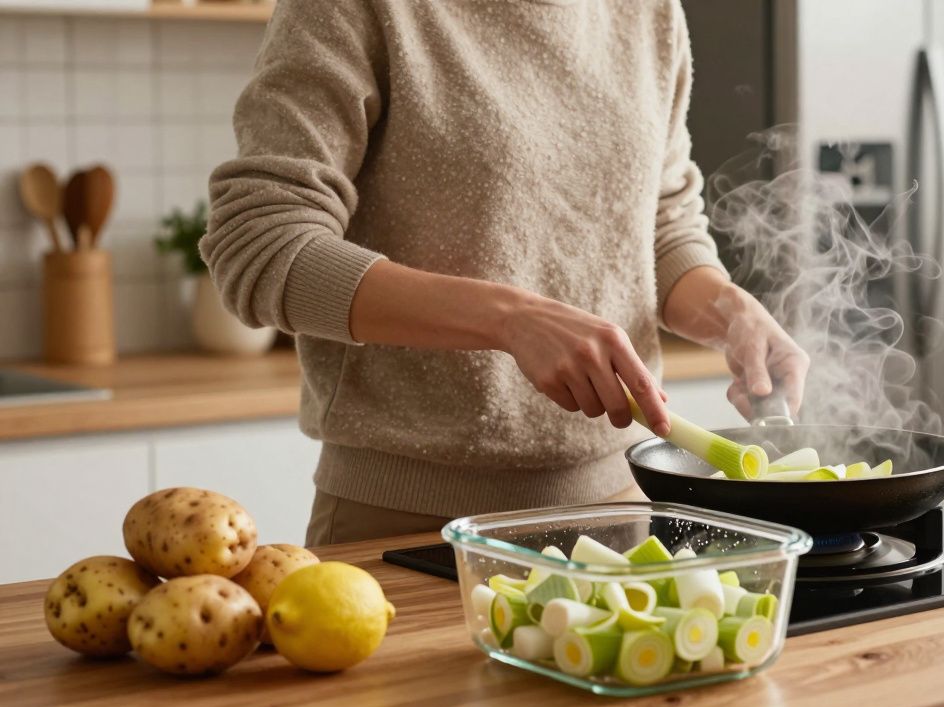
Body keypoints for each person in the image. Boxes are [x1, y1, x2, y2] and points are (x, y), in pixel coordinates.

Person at [201, 0, 808, 545]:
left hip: (621, 512)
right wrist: (511, 320)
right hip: (408, 526)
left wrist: (732, 312)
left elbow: (659, 225)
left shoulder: (648, 12)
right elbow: (261, 242)